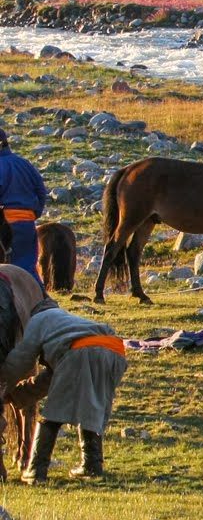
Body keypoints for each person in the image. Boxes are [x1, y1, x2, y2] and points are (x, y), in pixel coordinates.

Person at [0, 296, 127, 483]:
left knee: (53, 414)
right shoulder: (68, 322)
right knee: (92, 408)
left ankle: (36, 470)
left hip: (80, 353)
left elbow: (21, 360)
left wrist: (3, 385)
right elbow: (50, 379)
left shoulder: (38, 319)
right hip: (114, 353)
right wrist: (16, 396)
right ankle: (91, 465)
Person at [0, 129, 48, 283]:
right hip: (27, 223)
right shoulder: (24, 163)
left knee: (4, 271)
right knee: (28, 268)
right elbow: (41, 191)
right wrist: (34, 214)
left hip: (4, 227)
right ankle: (40, 297)